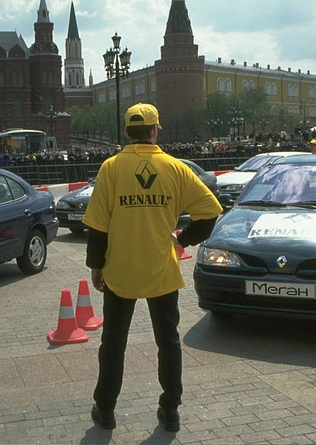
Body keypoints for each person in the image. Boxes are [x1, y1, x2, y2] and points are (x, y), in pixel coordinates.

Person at [82, 103, 223, 432]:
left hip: (120, 270)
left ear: (127, 133)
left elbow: (99, 226)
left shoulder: (111, 168)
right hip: (162, 269)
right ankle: (170, 409)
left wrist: (96, 266)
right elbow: (209, 212)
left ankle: (105, 410)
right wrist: (182, 240)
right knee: (168, 343)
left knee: (113, 344)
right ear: (156, 130)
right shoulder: (176, 168)